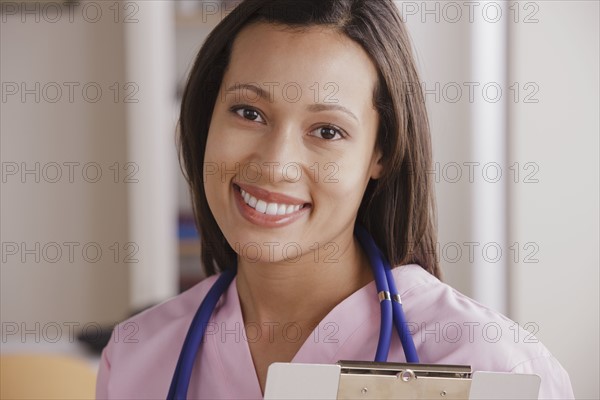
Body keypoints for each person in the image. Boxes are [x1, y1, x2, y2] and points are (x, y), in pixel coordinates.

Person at [96, 1, 574, 398]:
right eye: (249, 112)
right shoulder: (140, 354)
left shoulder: (494, 368)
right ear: (206, 120)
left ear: (380, 154)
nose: (276, 164)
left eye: (327, 130)